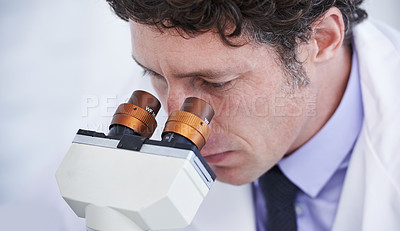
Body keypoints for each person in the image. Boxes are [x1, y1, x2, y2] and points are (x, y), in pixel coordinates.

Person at [105, 1, 400, 231]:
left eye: (215, 82)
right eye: (153, 73)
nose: (177, 118)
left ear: (321, 39)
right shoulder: (117, 136)